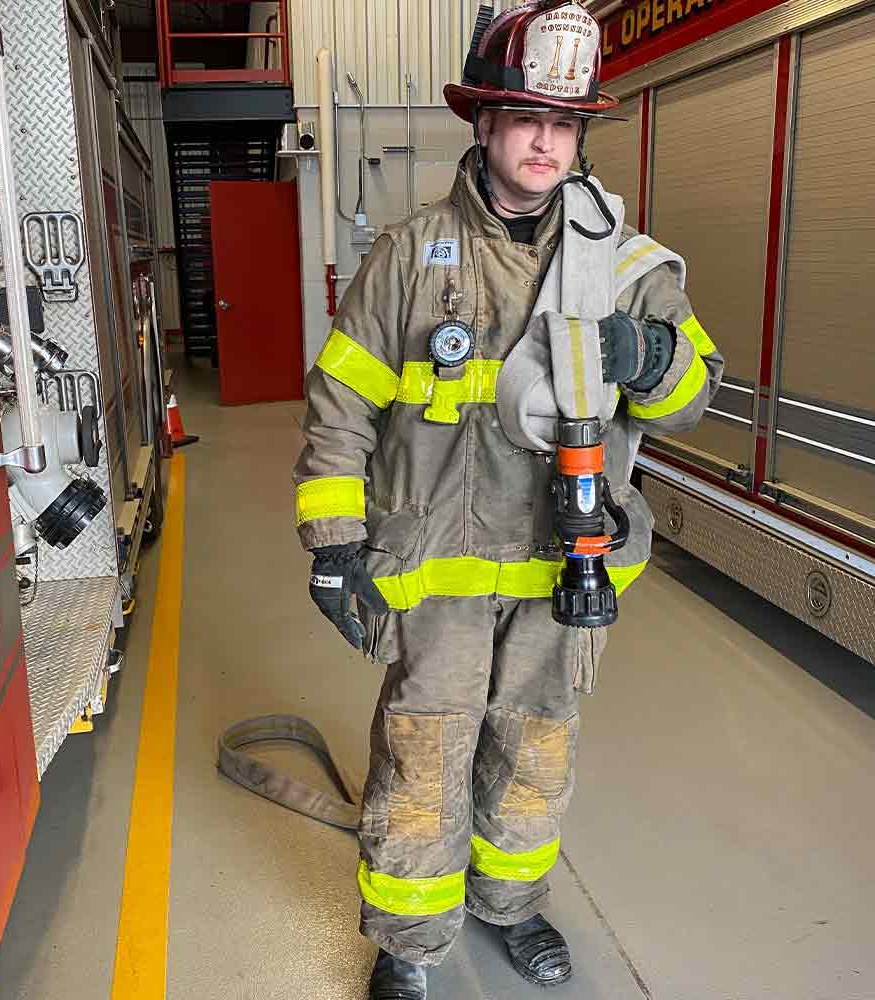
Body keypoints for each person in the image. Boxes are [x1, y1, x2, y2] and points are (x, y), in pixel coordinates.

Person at [293, 3, 723, 996]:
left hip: (560, 571)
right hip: (434, 571)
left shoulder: (623, 264)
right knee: (424, 757)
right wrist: (335, 544)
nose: (544, 142)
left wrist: (647, 353)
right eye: (525, 117)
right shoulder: (410, 256)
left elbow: (694, 397)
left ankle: (510, 906)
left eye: (563, 124)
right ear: (483, 123)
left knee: (533, 752)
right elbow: (340, 406)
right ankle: (409, 946)